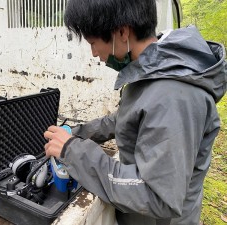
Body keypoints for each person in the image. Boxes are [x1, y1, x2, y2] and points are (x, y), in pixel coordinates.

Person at [44, 0, 227, 224]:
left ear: (122, 31)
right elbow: (123, 120)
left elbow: (156, 196)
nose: (93, 53)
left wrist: (73, 151)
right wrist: (74, 132)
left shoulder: (173, 95)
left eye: (93, 43)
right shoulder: (154, 70)